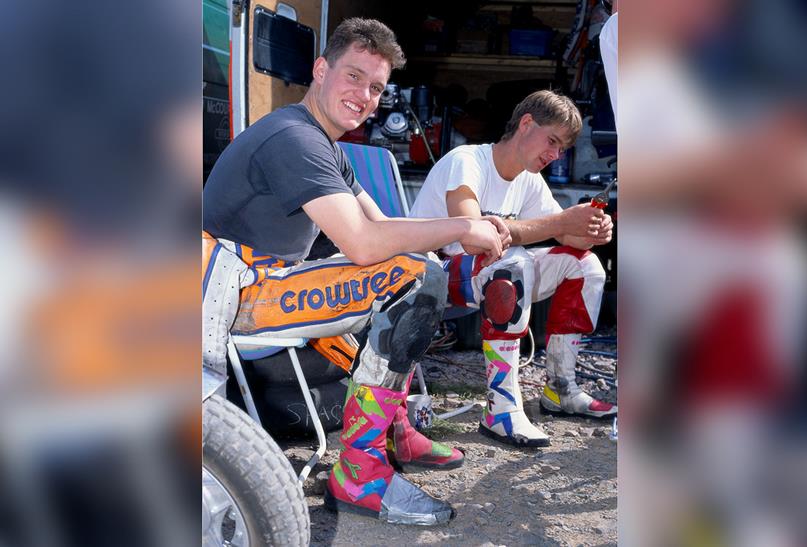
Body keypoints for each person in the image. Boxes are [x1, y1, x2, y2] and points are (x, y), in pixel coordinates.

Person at [203, 18, 511, 525]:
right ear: (320, 70)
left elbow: (384, 225)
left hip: (266, 284)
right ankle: (360, 473)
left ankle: (390, 429)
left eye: (376, 87)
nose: (363, 95)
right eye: (353, 77)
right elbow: (363, 243)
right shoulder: (291, 138)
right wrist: (461, 225)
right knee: (415, 277)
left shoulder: (325, 145)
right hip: (231, 298)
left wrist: (461, 237)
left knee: (420, 268)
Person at [410, 90, 617, 448]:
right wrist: (564, 221)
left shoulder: (529, 179)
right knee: (513, 265)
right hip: (428, 275)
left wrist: (592, 231)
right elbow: (474, 238)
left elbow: (564, 235)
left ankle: (560, 389)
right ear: (525, 124)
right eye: (551, 141)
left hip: (484, 274)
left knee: (586, 267)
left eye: (562, 149)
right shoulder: (468, 160)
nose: (554, 155)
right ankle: (501, 409)